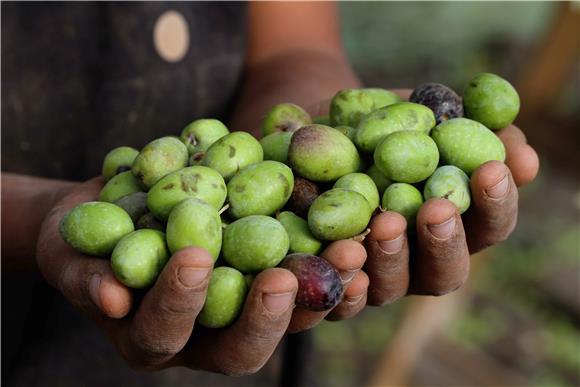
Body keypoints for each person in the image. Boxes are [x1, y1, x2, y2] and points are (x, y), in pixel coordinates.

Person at [1, 2, 539, 385]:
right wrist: (31, 214)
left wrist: (306, 108)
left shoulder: (298, 186)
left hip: (260, 331)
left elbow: (296, 43)